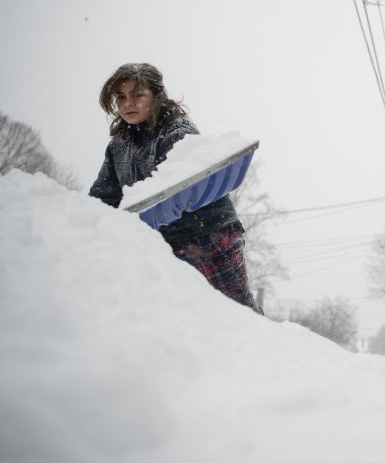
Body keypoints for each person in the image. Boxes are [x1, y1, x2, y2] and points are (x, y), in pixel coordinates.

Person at [89, 63, 263, 315]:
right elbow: (103, 196)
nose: (128, 103)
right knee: (183, 317)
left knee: (237, 312)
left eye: (138, 95)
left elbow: (173, 188)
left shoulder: (177, 131)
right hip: (165, 241)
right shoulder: (119, 145)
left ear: (156, 96)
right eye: (121, 97)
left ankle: (266, 340)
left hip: (210, 235)